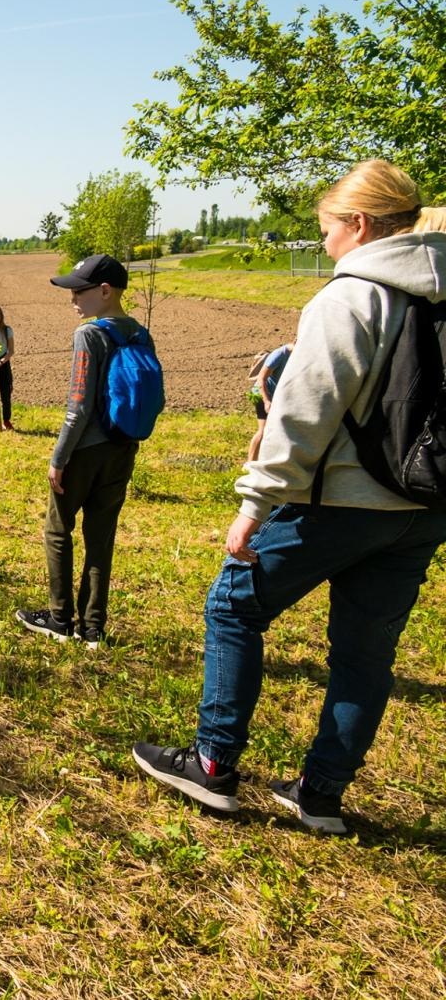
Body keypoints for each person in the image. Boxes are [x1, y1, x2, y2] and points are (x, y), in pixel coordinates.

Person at [133, 159, 446, 835]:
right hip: (426, 506)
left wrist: (255, 506)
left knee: (233, 605)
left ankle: (213, 767)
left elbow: (305, 413)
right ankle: (320, 794)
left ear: (360, 225)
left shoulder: (351, 298)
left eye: (328, 227)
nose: (325, 241)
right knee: (366, 655)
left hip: (344, 504)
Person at [15, 254, 149, 649]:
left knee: (58, 530)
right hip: (123, 449)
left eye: (79, 290)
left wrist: (58, 458)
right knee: (100, 538)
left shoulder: (90, 335)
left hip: (84, 452)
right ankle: (93, 629)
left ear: (104, 291)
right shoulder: (140, 333)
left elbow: (78, 405)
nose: (73, 298)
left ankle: (59, 619)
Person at [246, 338, 294, 462]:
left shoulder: (299, 357)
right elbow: (262, 379)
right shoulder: (280, 354)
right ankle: (250, 464)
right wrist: (267, 401)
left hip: (277, 396)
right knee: (263, 430)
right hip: (262, 394)